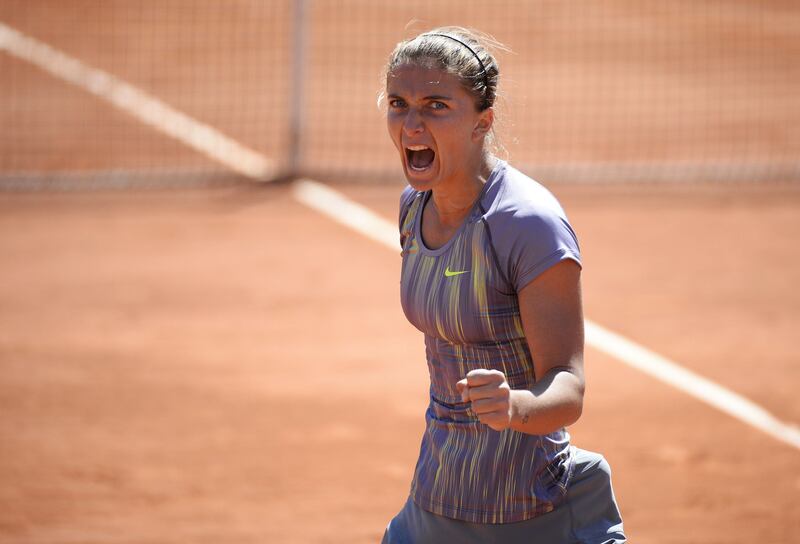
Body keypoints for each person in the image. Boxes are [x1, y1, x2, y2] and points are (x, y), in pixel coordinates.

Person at [380, 27, 626, 543]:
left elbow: (569, 386)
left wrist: (516, 406)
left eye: (436, 105)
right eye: (399, 103)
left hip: (533, 513)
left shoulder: (526, 223)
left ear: (482, 122)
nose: (412, 123)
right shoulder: (413, 206)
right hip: (437, 499)